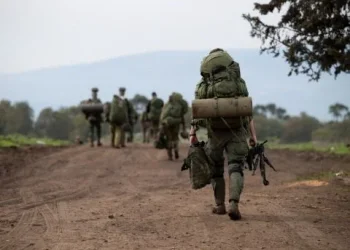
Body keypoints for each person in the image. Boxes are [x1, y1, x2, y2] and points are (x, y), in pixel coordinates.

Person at [191, 48, 257, 221]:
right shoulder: (238, 83)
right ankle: (233, 204)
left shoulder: (203, 85)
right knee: (235, 167)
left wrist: (193, 134)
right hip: (237, 132)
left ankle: (219, 205)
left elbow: (197, 114)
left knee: (216, 170)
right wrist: (253, 136)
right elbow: (247, 112)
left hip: (214, 134)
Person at [160, 94, 184, 160]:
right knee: (175, 138)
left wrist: (162, 124)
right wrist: (183, 126)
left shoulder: (166, 106)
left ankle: (170, 155)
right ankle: (176, 151)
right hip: (176, 124)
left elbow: (162, 117)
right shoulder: (179, 106)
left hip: (167, 125)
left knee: (169, 139)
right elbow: (182, 117)